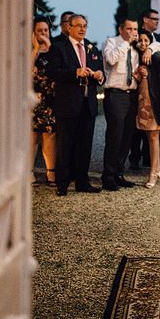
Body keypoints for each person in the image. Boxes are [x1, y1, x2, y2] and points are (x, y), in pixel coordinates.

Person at [46, 14, 104, 196]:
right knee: (65, 145)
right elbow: (52, 72)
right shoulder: (59, 48)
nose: (82, 29)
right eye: (78, 25)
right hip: (68, 104)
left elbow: (101, 71)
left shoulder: (91, 48)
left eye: (85, 25)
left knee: (85, 146)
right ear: (68, 28)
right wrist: (75, 72)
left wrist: (100, 75)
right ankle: (62, 184)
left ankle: (82, 181)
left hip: (88, 104)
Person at [101, 18, 143, 191]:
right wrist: (126, 43)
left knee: (127, 136)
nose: (133, 31)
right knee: (115, 136)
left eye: (135, 28)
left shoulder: (136, 48)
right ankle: (108, 176)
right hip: (115, 94)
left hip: (131, 95)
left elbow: (156, 46)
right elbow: (111, 59)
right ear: (121, 29)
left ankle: (119, 172)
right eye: (129, 28)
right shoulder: (111, 42)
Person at [134, 30, 160, 188]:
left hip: (154, 104)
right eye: (140, 41)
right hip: (142, 103)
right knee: (150, 138)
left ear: (150, 42)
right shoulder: (137, 56)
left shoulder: (157, 57)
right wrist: (140, 75)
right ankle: (157, 168)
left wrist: (148, 75)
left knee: (153, 138)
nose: (143, 43)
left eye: (146, 40)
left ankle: (152, 173)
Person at [32, 17, 56, 186]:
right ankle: (28, 172)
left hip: (50, 98)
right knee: (32, 136)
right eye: (39, 31)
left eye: (45, 30)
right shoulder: (27, 50)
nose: (43, 34)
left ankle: (51, 172)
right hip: (32, 98)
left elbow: (58, 68)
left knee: (49, 135)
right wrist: (35, 49)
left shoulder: (54, 50)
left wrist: (49, 47)